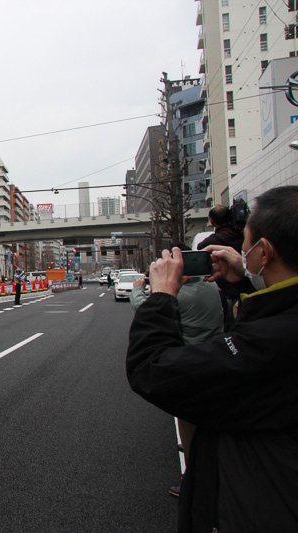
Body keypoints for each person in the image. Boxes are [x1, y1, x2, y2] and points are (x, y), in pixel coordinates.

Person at [126, 186, 298, 531]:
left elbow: (152, 370)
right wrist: (243, 285)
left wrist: (161, 296)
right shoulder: (278, 320)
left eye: (245, 245)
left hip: (261, 505)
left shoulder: (270, 341)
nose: (241, 252)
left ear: (264, 253)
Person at [129, 248, 225, 498]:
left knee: (189, 421)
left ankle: (194, 482)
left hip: (190, 365)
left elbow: (144, 308)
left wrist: (140, 289)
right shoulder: (212, 287)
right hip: (216, 359)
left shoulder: (180, 295)